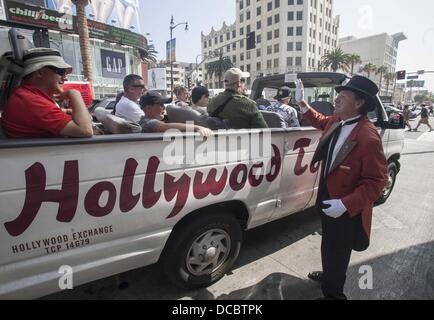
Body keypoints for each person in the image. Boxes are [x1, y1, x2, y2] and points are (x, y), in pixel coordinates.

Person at [294, 76, 388, 300]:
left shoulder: (368, 136)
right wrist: (302, 104)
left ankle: (334, 293)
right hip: (329, 195)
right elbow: (320, 120)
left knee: (338, 250)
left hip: (346, 206)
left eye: (343, 97)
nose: (336, 100)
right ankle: (330, 275)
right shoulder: (338, 120)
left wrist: (345, 204)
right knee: (330, 243)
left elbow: (377, 181)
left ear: (358, 103)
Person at [2, 48, 94, 139]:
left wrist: (67, 111)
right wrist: (74, 94)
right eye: (61, 72)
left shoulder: (27, 96)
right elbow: (85, 131)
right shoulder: (32, 101)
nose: (65, 78)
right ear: (40, 73)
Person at [138, 91, 212, 136]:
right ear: (148, 108)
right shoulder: (148, 122)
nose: (164, 107)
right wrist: (198, 127)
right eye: (160, 104)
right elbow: (166, 126)